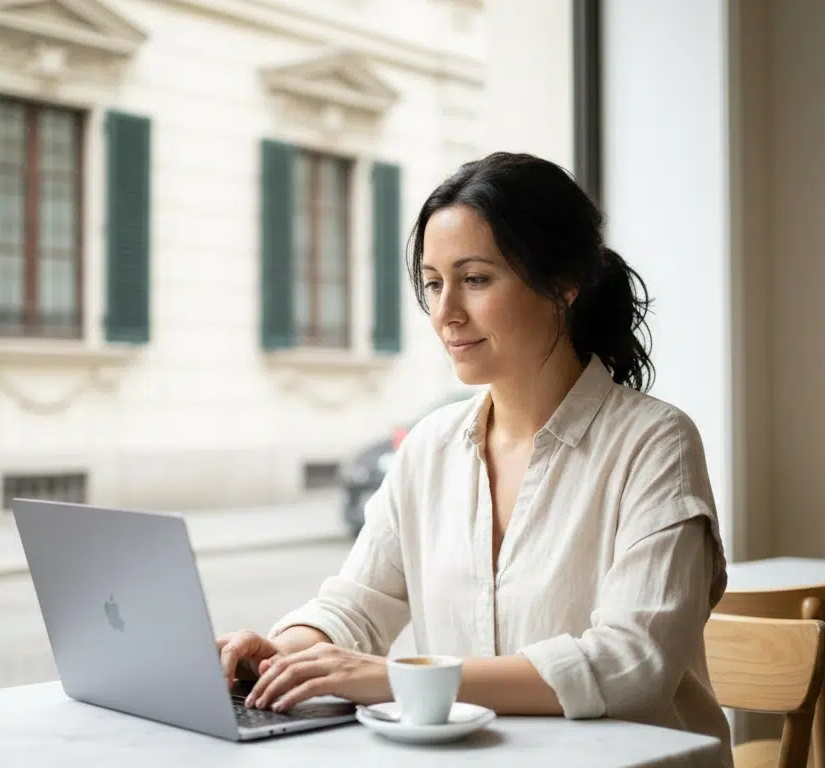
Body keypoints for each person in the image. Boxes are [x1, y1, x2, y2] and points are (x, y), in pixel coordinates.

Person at [217, 151, 733, 764]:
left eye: (476, 279)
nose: (444, 314)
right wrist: (288, 650)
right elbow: (356, 603)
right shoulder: (428, 449)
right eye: (434, 283)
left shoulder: (656, 443)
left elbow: (632, 663)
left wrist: (396, 677)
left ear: (562, 284)